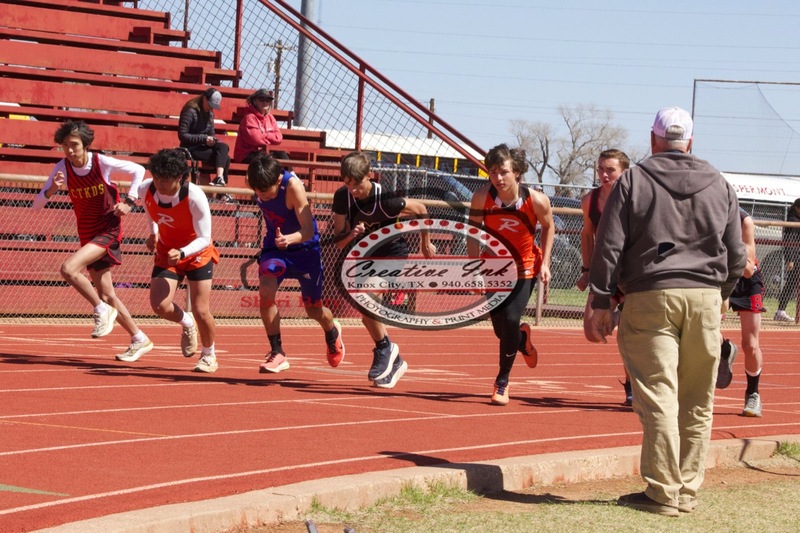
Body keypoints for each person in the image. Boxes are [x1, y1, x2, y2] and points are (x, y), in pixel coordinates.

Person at [587, 107, 746, 516]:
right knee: (698, 400)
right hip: (706, 296)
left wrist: (601, 301)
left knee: (659, 395)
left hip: (650, 295)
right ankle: (687, 490)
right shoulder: (720, 183)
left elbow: (608, 245)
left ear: (654, 140)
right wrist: (722, 292)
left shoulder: (633, 180)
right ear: (689, 142)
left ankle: (662, 492)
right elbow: (737, 252)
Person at [31, 120, 152, 361]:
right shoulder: (62, 168)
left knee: (68, 269)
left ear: (85, 144)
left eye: (74, 144)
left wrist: (129, 201)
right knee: (108, 294)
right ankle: (139, 338)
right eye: (65, 145)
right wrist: (51, 192)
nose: (69, 150)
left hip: (107, 230)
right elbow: (36, 206)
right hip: (87, 234)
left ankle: (99, 309)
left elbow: (138, 170)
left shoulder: (100, 162)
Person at [332, 151, 436, 389]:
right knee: (365, 310)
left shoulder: (386, 198)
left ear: (369, 176)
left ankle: (385, 348)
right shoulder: (342, 198)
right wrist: (350, 234)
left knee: (367, 297)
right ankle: (395, 360)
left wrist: (424, 242)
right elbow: (338, 242)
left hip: (392, 252)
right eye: (347, 184)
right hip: (366, 254)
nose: (352, 189)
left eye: (356, 184)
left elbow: (420, 208)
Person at [468, 144, 554, 406]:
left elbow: (549, 228)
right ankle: (522, 339)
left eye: (503, 172)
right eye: (492, 172)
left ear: (517, 172)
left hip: (524, 267)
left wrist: (545, 263)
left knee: (511, 317)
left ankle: (502, 382)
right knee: (501, 329)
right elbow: (472, 232)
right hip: (494, 268)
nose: (498, 178)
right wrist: (474, 269)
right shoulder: (482, 197)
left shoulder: (536, 200)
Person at [246, 153, 344, 373]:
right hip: (275, 248)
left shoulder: (293, 187)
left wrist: (289, 239)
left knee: (313, 309)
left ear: (278, 181)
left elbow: (308, 230)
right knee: (266, 291)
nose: (260, 195)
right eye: (257, 191)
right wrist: (280, 242)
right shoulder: (256, 180)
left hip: (304, 249)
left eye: (264, 191)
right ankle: (277, 351)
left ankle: (331, 331)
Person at [135, 148, 220, 372]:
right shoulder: (146, 189)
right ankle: (187, 323)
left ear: (180, 178)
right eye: (157, 178)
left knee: (202, 309)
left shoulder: (195, 197)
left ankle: (209, 354)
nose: (160, 184)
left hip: (196, 253)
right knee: (159, 305)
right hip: (166, 250)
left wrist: (182, 252)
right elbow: (150, 211)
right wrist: (153, 232)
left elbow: (205, 238)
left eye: (166, 180)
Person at [577, 149, 633, 406]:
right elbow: (587, 235)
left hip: (634, 273)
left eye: (610, 169)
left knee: (630, 337)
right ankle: (620, 316)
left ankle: (632, 387)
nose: (603, 174)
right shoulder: (590, 200)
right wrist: (586, 270)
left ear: (624, 171)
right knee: (592, 332)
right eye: (600, 169)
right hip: (607, 273)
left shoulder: (635, 198)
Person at [717, 209, 765, 417]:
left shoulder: (745, 221)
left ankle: (753, 394)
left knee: (750, 344)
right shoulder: (707, 214)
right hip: (720, 277)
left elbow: (747, 269)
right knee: (706, 333)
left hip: (746, 282)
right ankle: (725, 350)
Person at [178, 87, 230, 188]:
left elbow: (211, 133)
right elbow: (182, 135)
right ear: (204, 99)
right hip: (191, 148)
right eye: (210, 105)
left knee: (223, 147)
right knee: (226, 158)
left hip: (204, 146)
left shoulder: (210, 114)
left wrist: (212, 140)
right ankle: (222, 190)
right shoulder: (190, 111)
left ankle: (219, 178)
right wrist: (204, 139)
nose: (211, 108)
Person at [233, 88, 288, 165]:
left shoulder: (270, 117)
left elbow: (279, 138)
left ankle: (292, 175)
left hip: (262, 153)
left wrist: (264, 135)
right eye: (261, 99)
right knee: (267, 158)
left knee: (281, 154)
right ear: (255, 101)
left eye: (268, 100)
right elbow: (256, 139)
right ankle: (286, 176)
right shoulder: (249, 117)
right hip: (246, 155)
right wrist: (271, 138)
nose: (265, 102)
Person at [774, 198, 800, 322]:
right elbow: (789, 241)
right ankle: (780, 311)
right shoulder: (792, 221)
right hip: (795, 257)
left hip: (797, 256)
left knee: (792, 283)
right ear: (796, 208)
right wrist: (790, 259)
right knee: (791, 283)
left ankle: (781, 310)